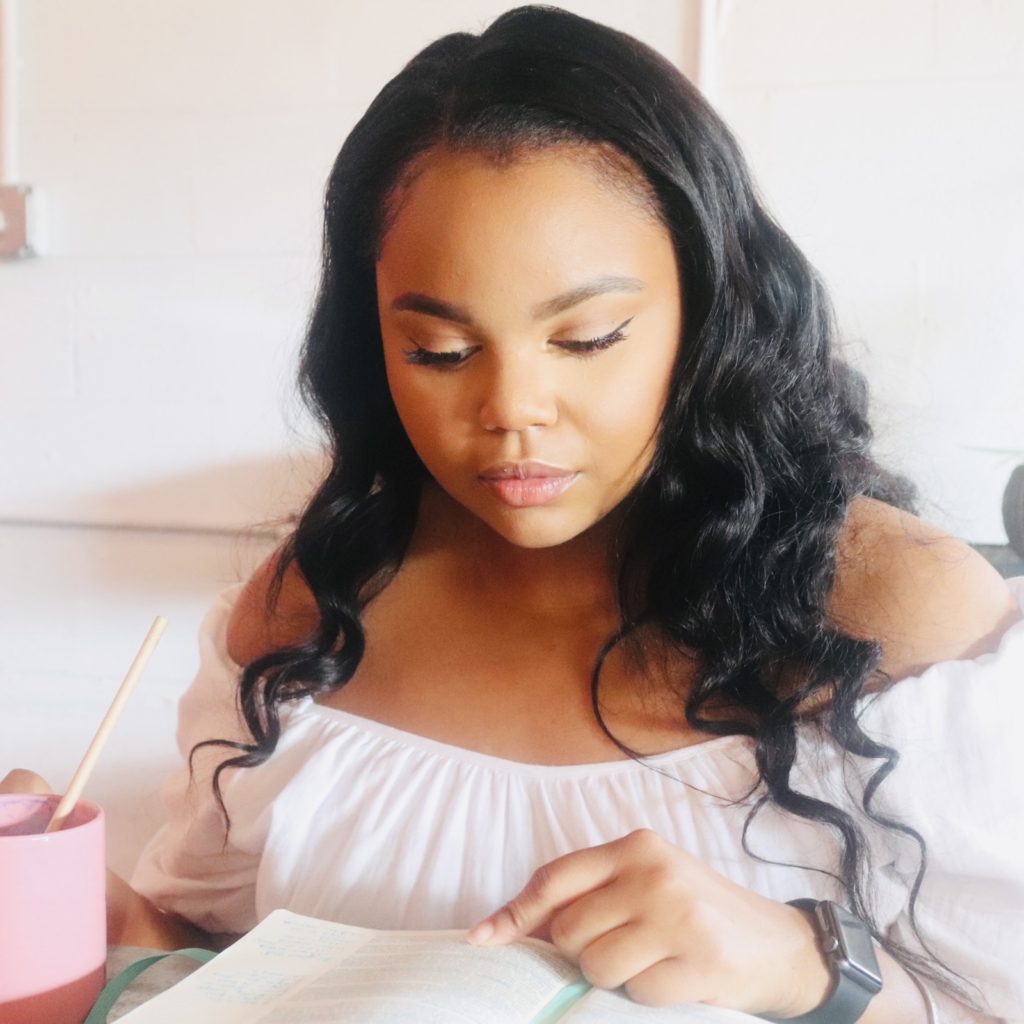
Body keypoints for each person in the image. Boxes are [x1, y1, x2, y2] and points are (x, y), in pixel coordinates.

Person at [5, 6, 1023, 1021]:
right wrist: (97, 917)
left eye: (587, 337)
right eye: (439, 352)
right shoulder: (307, 615)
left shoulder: (898, 615)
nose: (508, 413)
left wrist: (805, 968)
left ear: (708, 312)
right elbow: (229, 976)